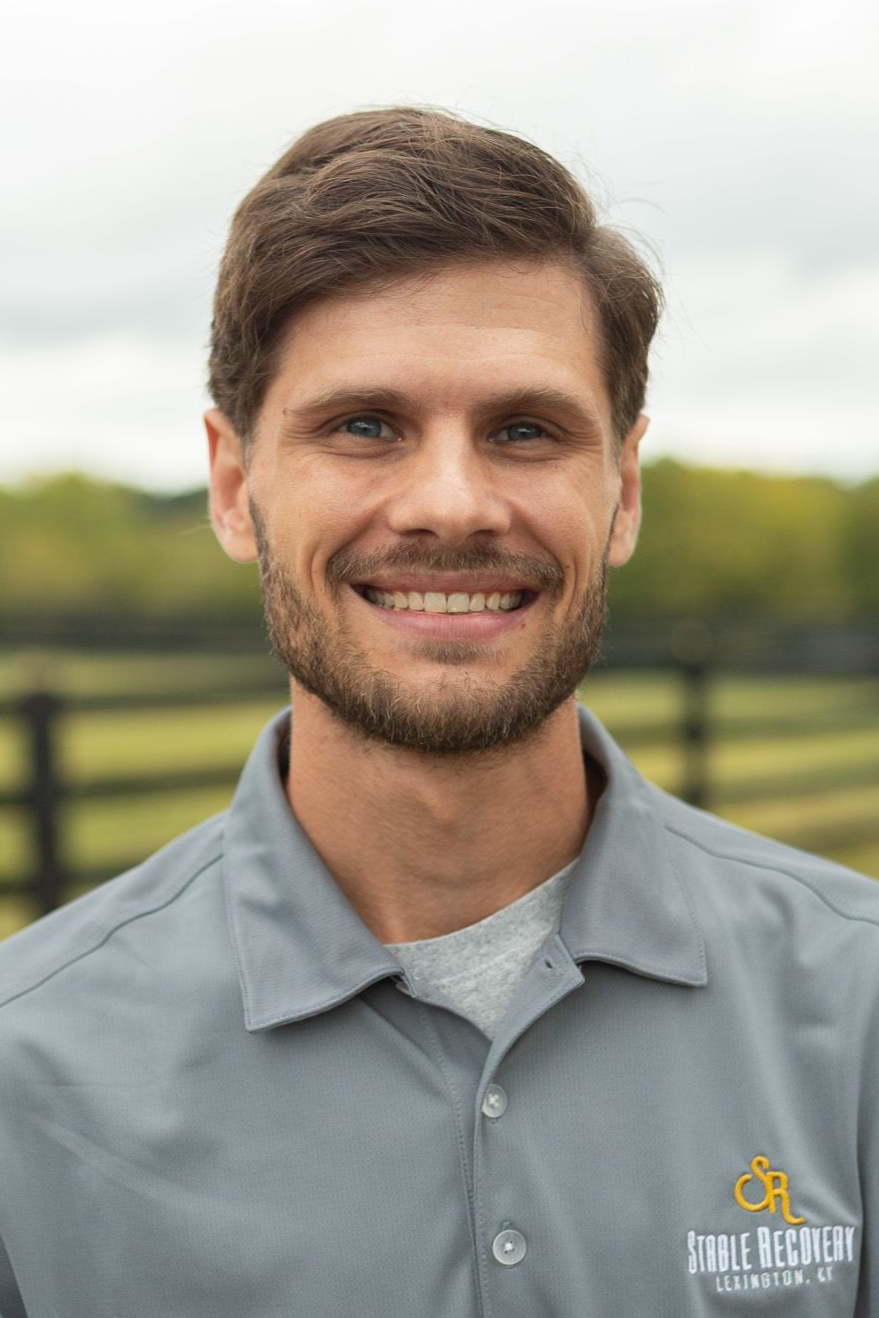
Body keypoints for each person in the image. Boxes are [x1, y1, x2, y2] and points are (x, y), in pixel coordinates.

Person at [0, 108, 877, 1318]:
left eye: (525, 429)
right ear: (235, 486)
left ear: (621, 493)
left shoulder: (860, 1001)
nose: (452, 503)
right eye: (365, 426)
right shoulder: (24, 1072)